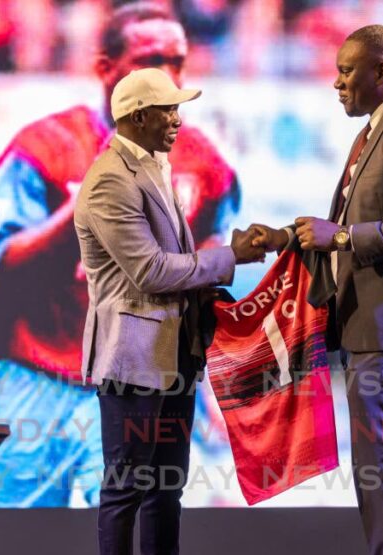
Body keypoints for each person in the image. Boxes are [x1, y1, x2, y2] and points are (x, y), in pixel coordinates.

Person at [0, 2, 241, 507]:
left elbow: (203, 299)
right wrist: (76, 213)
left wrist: (216, 391)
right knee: (10, 537)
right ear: (104, 67)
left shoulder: (207, 169)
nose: (165, 75)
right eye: (149, 59)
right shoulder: (42, 149)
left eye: (176, 61)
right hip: (36, 375)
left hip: (131, 388)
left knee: (140, 528)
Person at [250, 24, 383, 555]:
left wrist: (342, 235)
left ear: (381, 71)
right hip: (377, 326)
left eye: (346, 71)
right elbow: (366, 220)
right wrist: (289, 238)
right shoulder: (381, 125)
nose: (337, 83)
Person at [74, 67, 262, 555]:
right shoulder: (109, 180)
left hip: (171, 356)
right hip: (132, 361)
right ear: (137, 117)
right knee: (127, 488)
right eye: (169, 109)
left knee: (165, 488)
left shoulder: (153, 166)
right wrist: (229, 257)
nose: (178, 119)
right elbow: (152, 272)